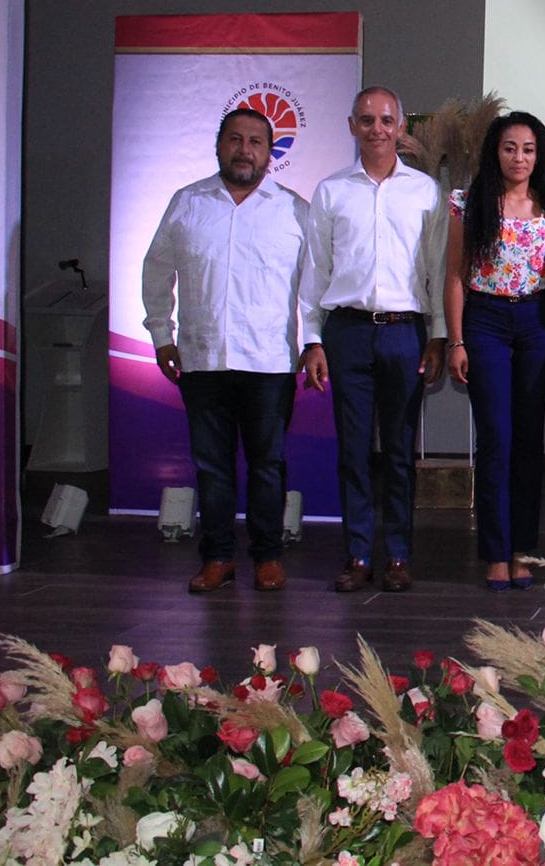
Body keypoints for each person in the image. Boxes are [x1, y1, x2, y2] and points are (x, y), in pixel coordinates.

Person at [142, 108, 308, 593]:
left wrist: (315, 341)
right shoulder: (188, 203)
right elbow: (156, 270)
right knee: (211, 466)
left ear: (270, 153)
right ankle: (217, 557)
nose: (244, 150)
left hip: (269, 361)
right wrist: (161, 334)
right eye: (235, 139)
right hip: (203, 358)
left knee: (267, 465)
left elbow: (315, 287)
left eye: (256, 141)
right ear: (219, 146)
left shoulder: (294, 210)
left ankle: (267, 557)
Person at [300, 86, 447, 593]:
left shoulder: (426, 192)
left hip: (405, 333)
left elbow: (436, 270)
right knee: (354, 450)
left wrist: (439, 336)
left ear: (401, 127)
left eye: (386, 120)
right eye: (366, 120)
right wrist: (312, 339)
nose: (377, 129)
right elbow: (315, 270)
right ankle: (359, 553)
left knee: (401, 452)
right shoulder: (330, 191)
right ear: (351, 127)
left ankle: (399, 555)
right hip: (347, 333)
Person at [445, 111, 545, 591]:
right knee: (496, 438)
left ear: (541, 156)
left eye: (529, 149)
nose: (519, 157)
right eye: (510, 147)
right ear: (494, 152)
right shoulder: (468, 202)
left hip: (537, 322)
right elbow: (454, 276)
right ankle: (496, 552)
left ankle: (522, 550)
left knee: (528, 440)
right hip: (485, 322)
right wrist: (456, 339)